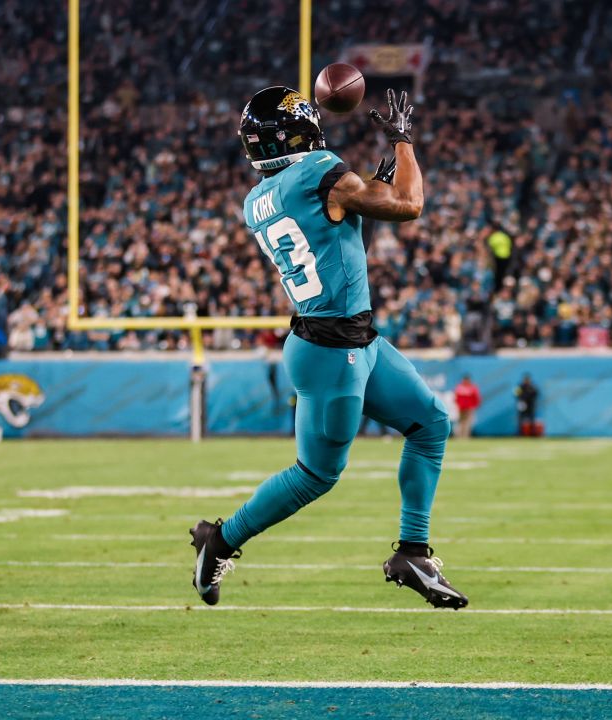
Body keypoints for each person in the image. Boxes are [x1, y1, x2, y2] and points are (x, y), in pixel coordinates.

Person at [188, 88, 467, 610]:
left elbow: (332, 230)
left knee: (430, 422)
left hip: (350, 337)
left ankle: (412, 552)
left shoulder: (258, 199)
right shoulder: (321, 169)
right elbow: (410, 205)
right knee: (315, 474)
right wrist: (403, 141)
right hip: (330, 350)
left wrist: (364, 191)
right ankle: (219, 540)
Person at [453, 374, 482, 439]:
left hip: (469, 408)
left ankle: (465, 436)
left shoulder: (472, 387)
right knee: (461, 422)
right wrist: (458, 405)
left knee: (467, 423)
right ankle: (459, 436)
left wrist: (474, 406)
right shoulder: (459, 387)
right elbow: (456, 398)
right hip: (461, 408)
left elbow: (476, 398)